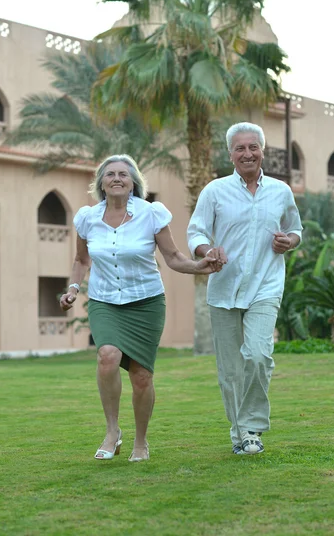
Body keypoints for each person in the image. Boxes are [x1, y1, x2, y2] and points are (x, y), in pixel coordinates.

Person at [60, 154, 224, 462]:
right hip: (105, 300)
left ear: (134, 181)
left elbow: (173, 257)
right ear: (101, 183)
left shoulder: (151, 214)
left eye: (124, 173)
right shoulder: (87, 218)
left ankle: (141, 442)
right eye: (110, 174)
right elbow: (82, 260)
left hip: (146, 302)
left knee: (141, 378)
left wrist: (200, 266)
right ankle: (112, 431)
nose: (117, 178)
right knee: (107, 356)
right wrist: (72, 288)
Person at [187, 122, 303, 455]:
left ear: (262, 151)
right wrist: (206, 251)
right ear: (231, 154)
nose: (247, 153)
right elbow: (196, 232)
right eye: (240, 148)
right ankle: (240, 433)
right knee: (230, 368)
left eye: (253, 147)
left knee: (257, 354)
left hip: (266, 286)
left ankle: (252, 426)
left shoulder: (280, 191)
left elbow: (295, 228)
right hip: (224, 289)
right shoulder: (214, 191)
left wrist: (289, 241)